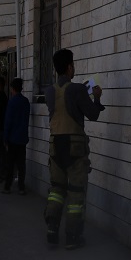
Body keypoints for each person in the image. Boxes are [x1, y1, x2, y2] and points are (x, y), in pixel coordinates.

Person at [44, 48, 104, 249]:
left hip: (55, 144)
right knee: (76, 191)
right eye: (73, 65)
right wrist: (97, 97)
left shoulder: (49, 91)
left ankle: (52, 228)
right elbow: (93, 114)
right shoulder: (78, 89)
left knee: (57, 188)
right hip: (74, 146)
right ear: (70, 67)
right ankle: (72, 236)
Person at [2, 78, 30, 195]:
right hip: (22, 138)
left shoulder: (12, 102)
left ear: (12, 89)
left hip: (12, 138)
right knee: (21, 164)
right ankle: (21, 187)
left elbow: (8, 121)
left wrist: (5, 138)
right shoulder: (26, 101)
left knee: (10, 164)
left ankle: (7, 187)